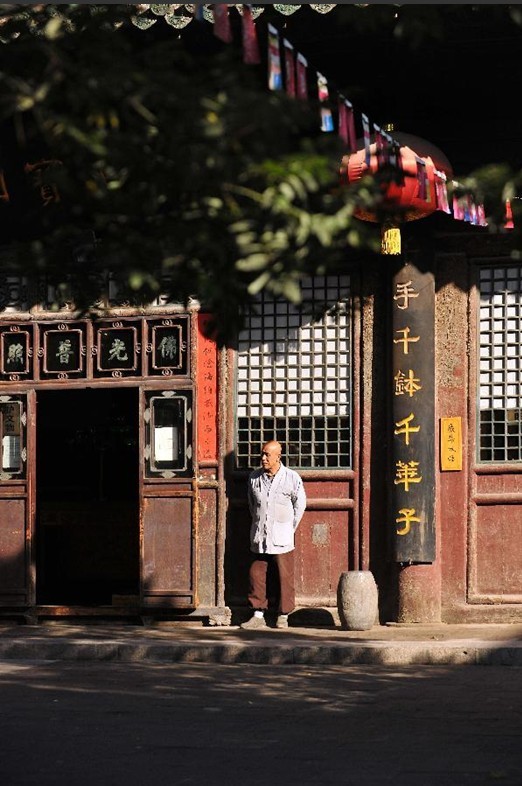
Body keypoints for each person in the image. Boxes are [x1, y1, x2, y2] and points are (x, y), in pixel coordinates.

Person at [240, 440, 306, 630]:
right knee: (257, 574)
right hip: (260, 534)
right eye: (262, 454)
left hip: (282, 535)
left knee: (284, 576)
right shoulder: (254, 478)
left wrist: (287, 527)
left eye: (268, 455)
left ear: (278, 456)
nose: (263, 458)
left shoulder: (292, 478)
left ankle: (283, 615)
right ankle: (258, 614)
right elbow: (253, 506)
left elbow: (299, 506)